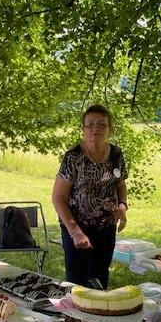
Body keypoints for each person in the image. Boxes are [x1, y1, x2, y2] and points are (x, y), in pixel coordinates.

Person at [52, 104, 128, 289]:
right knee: (77, 282)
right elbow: (58, 198)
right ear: (83, 129)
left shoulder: (116, 154)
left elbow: (120, 184)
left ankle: (99, 308)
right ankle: (75, 310)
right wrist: (76, 232)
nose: (96, 129)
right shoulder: (73, 157)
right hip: (77, 227)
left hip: (106, 227)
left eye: (102, 124)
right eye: (90, 124)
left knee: (100, 278)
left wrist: (122, 205)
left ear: (110, 128)